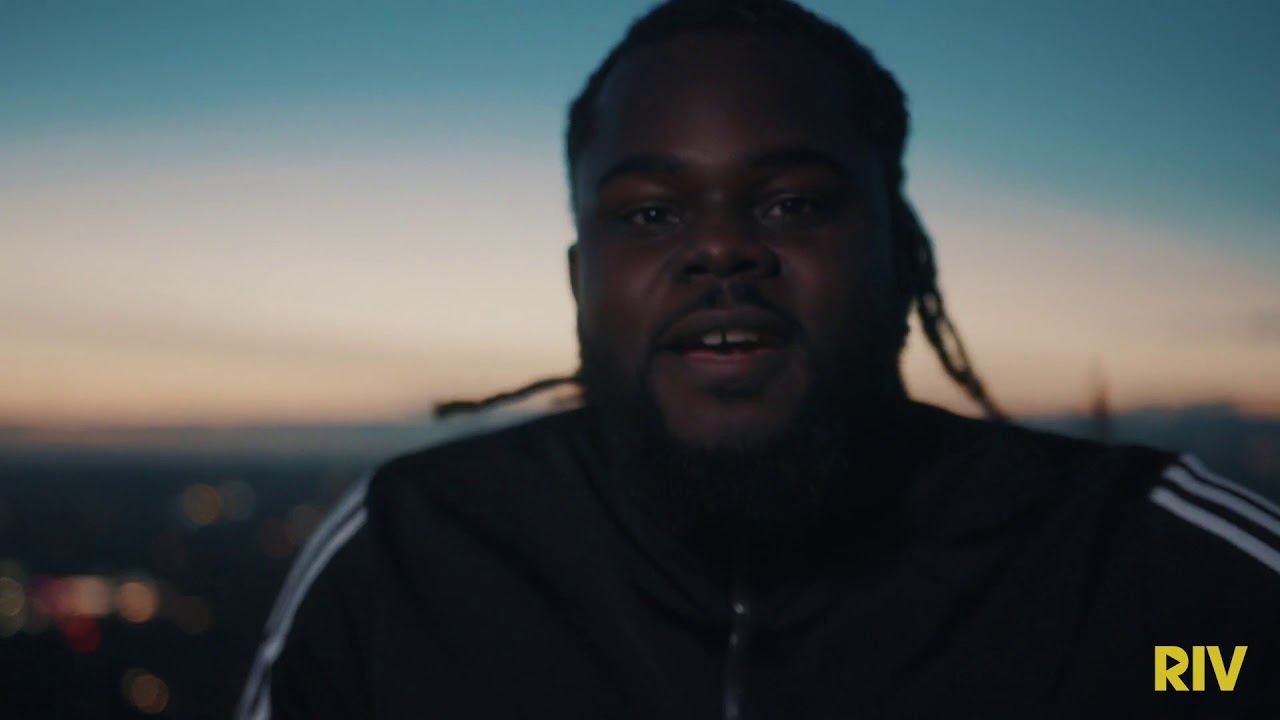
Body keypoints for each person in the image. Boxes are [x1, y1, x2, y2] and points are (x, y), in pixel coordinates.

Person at [237, 1, 1280, 717]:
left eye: (792, 202)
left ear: (900, 256)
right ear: (580, 281)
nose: (721, 247)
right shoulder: (405, 564)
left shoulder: (1151, 579)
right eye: (650, 212)